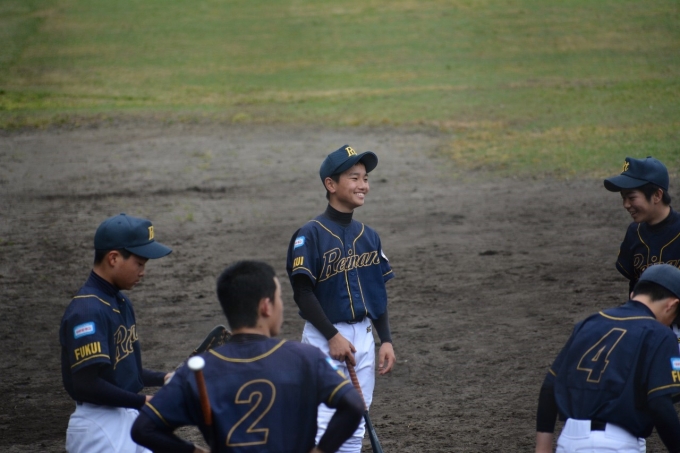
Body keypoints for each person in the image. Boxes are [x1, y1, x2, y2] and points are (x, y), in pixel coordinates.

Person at [131, 260, 364, 453]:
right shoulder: (306, 358)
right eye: (279, 298)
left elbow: (143, 429)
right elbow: (353, 405)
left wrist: (194, 451)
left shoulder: (198, 371)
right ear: (266, 307)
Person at [286, 144, 396, 452]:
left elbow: (377, 293)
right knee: (322, 422)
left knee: (356, 420)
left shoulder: (369, 236)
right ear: (331, 184)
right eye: (354, 178)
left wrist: (385, 339)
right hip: (324, 339)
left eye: (365, 178)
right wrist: (332, 336)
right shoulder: (310, 234)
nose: (363, 185)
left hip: (363, 337)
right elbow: (302, 292)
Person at [535, 264, 680, 453]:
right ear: (671, 305)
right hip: (615, 444)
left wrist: (543, 447)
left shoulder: (589, 323)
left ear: (633, 294)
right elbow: (659, 404)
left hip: (568, 441)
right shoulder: (660, 334)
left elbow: (549, 387)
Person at [59, 213, 173, 452]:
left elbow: (120, 369)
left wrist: (163, 378)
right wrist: (145, 402)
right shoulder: (87, 311)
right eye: (139, 263)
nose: (143, 272)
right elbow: (87, 384)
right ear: (113, 258)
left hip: (125, 414)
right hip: (98, 426)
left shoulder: (119, 301)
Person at [604, 156, 680, 348]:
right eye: (623, 198)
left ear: (657, 195)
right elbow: (633, 284)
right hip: (645, 329)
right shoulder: (634, 233)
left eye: (631, 197)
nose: (626, 205)